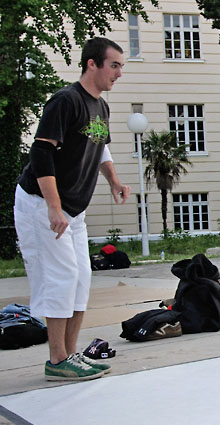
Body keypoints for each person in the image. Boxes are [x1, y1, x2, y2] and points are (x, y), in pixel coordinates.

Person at [14, 37, 131, 381]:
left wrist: (114, 180)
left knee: (81, 278)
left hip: (73, 210)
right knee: (62, 277)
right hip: (41, 203)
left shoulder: (101, 108)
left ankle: (69, 355)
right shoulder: (65, 101)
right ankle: (56, 360)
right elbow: (41, 153)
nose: (119, 73)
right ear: (92, 64)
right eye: (114, 65)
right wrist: (53, 207)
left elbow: (100, 149)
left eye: (121, 66)